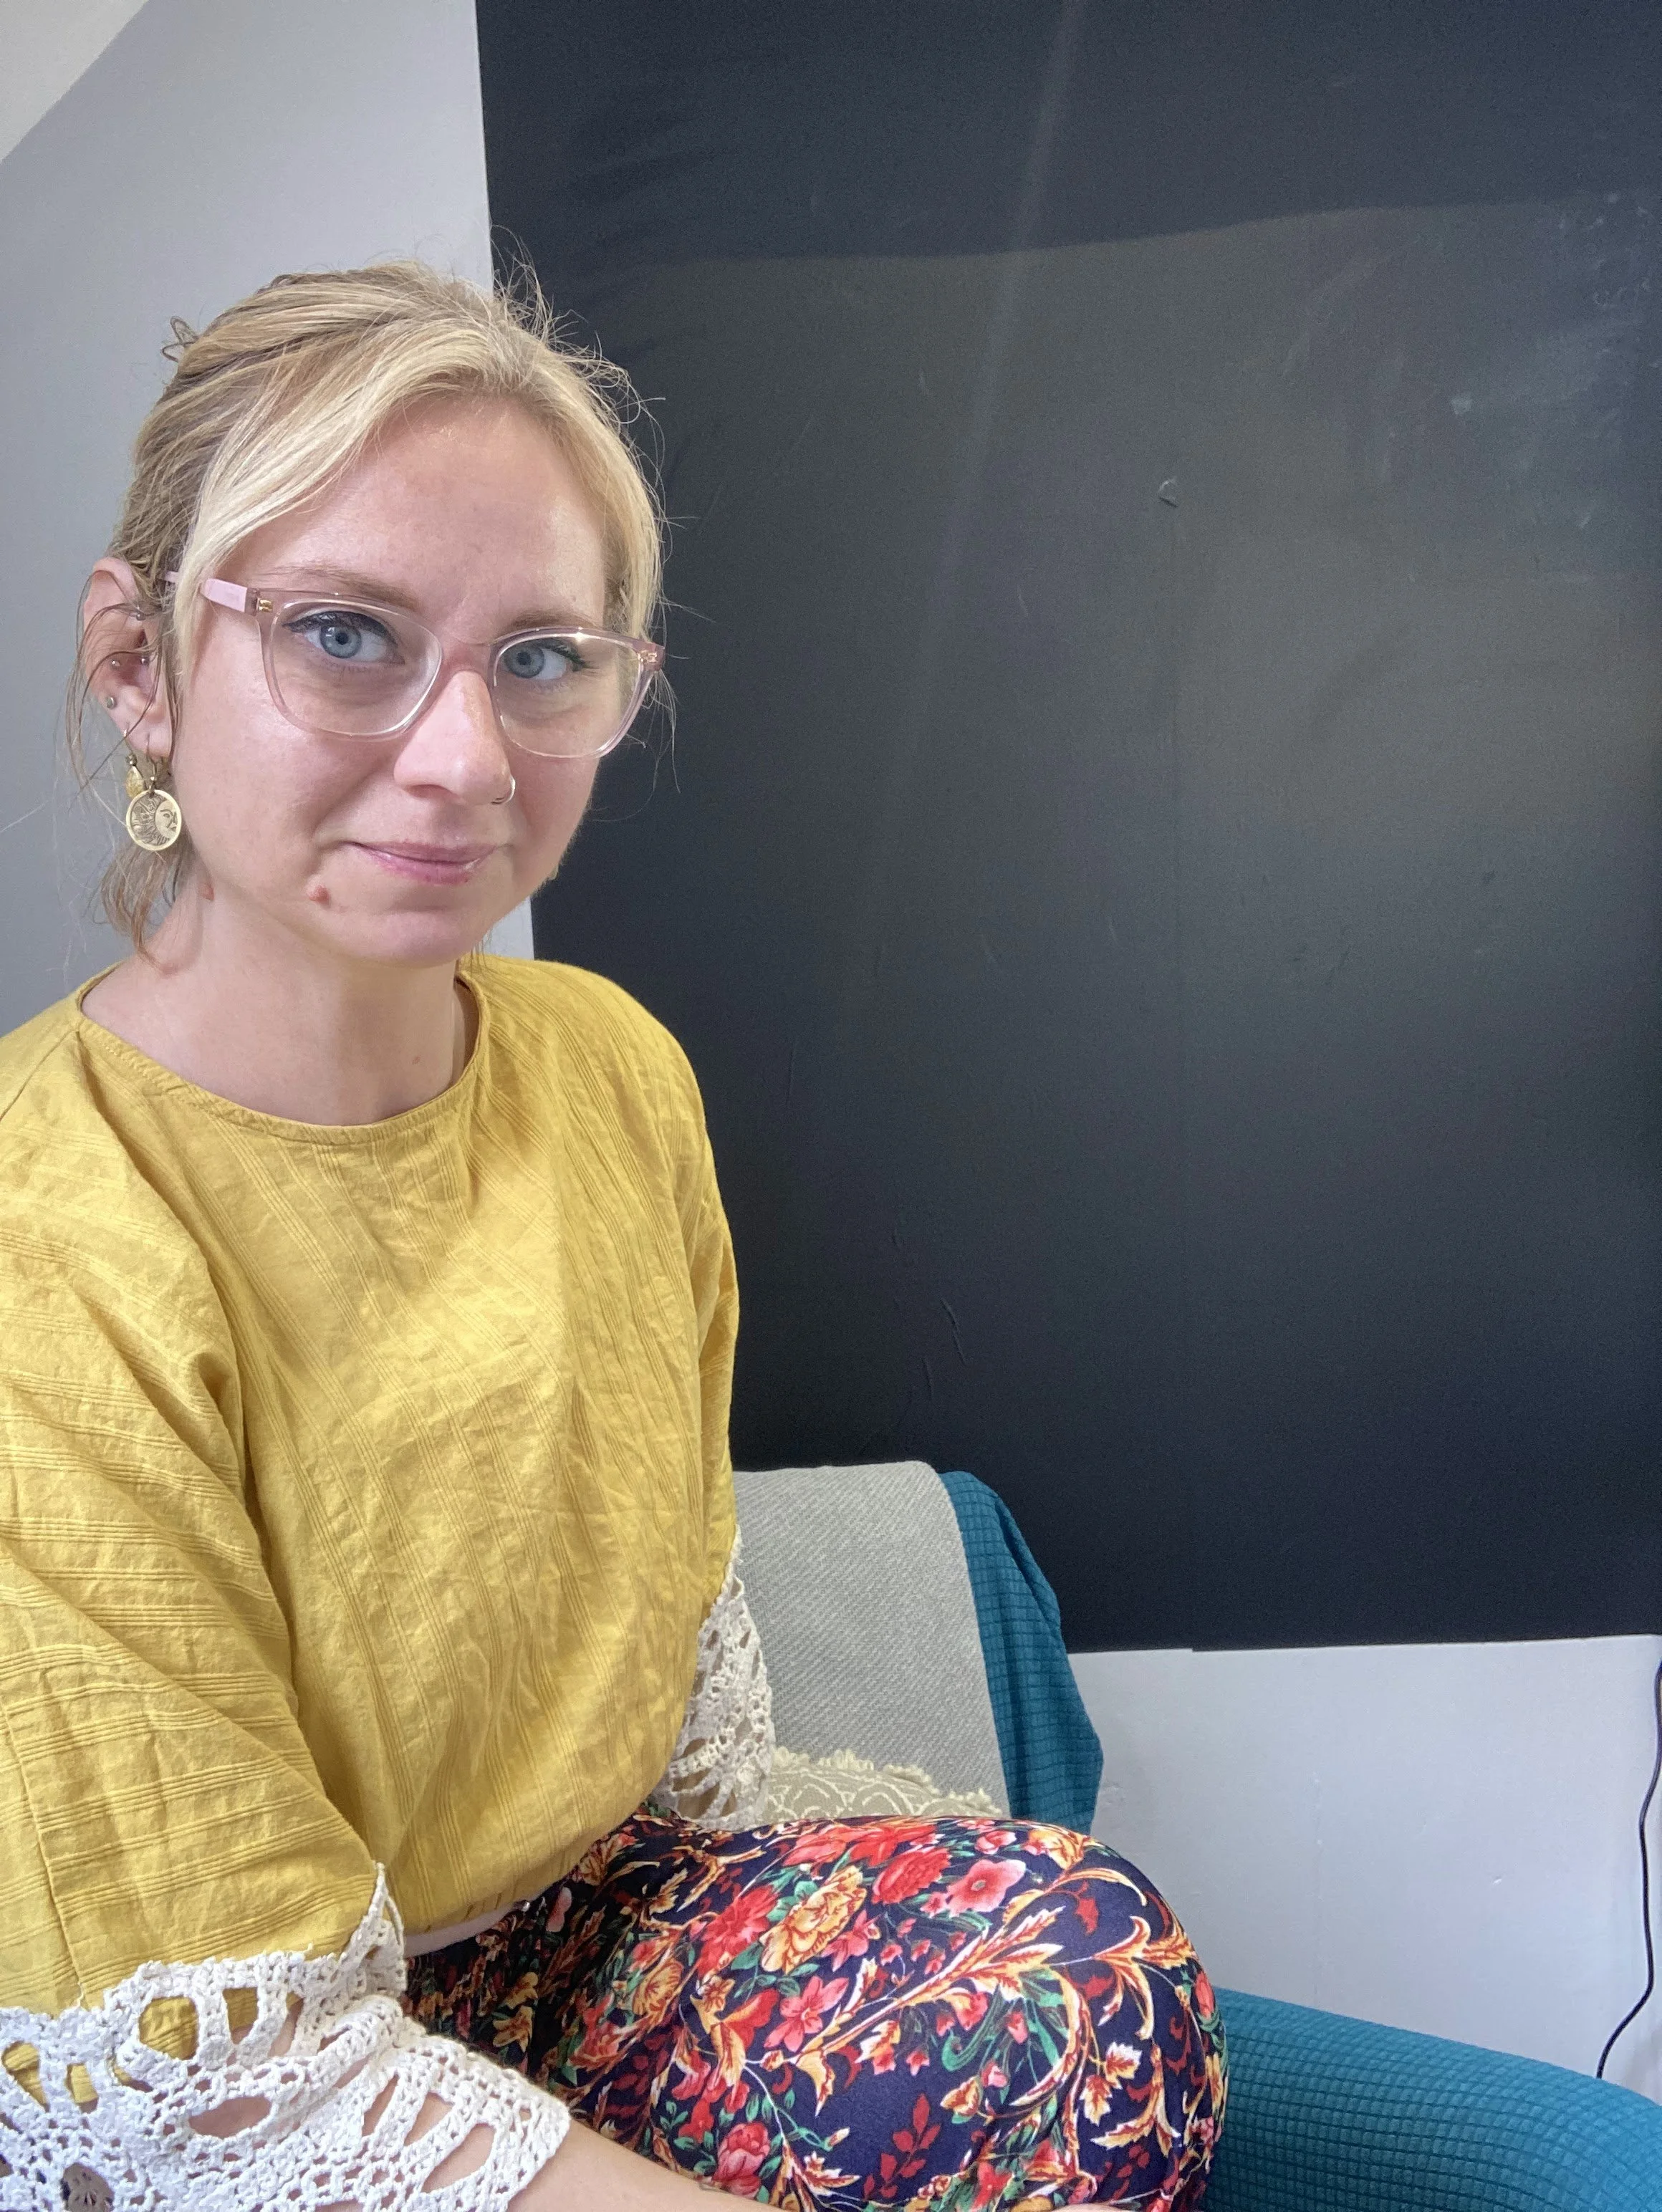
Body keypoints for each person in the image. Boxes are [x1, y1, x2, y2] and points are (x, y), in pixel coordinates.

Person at [0, 264, 1224, 2210]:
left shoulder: (605, 1071)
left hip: (574, 1940)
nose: (467, 762)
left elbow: (655, 1610)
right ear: (141, 664)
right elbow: (217, 2097)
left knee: (1073, 1979)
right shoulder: (46, 1243)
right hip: (230, 2075)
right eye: (345, 635)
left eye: (544, 661)